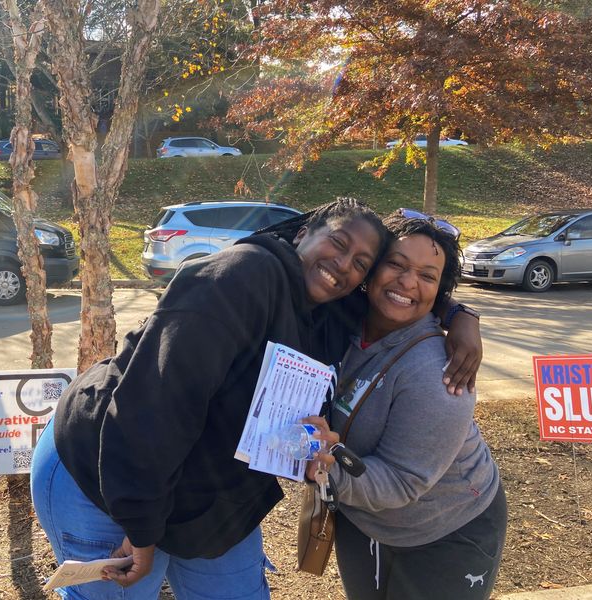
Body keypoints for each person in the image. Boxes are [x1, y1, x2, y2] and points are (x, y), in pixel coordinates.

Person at [30, 198, 481, 600]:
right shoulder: (240, 276)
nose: (344, 265)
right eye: (338, 243)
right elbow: (153, 407)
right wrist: (142, 529)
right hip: (108, 473)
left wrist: (457, 312)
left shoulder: (333, 307)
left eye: (361, 262)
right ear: (303, 233)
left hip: (205, 497)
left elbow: (401, 291)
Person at [307, 212, 506, 600]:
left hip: (446, 530)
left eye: (427, 276)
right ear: (371, 268)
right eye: (395, 264)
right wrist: (459, 311)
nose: (408, 282)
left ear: (438, 289)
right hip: (364, 518)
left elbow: (402, 481)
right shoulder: (344, 319)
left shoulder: (438, 373)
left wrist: (317, 466)